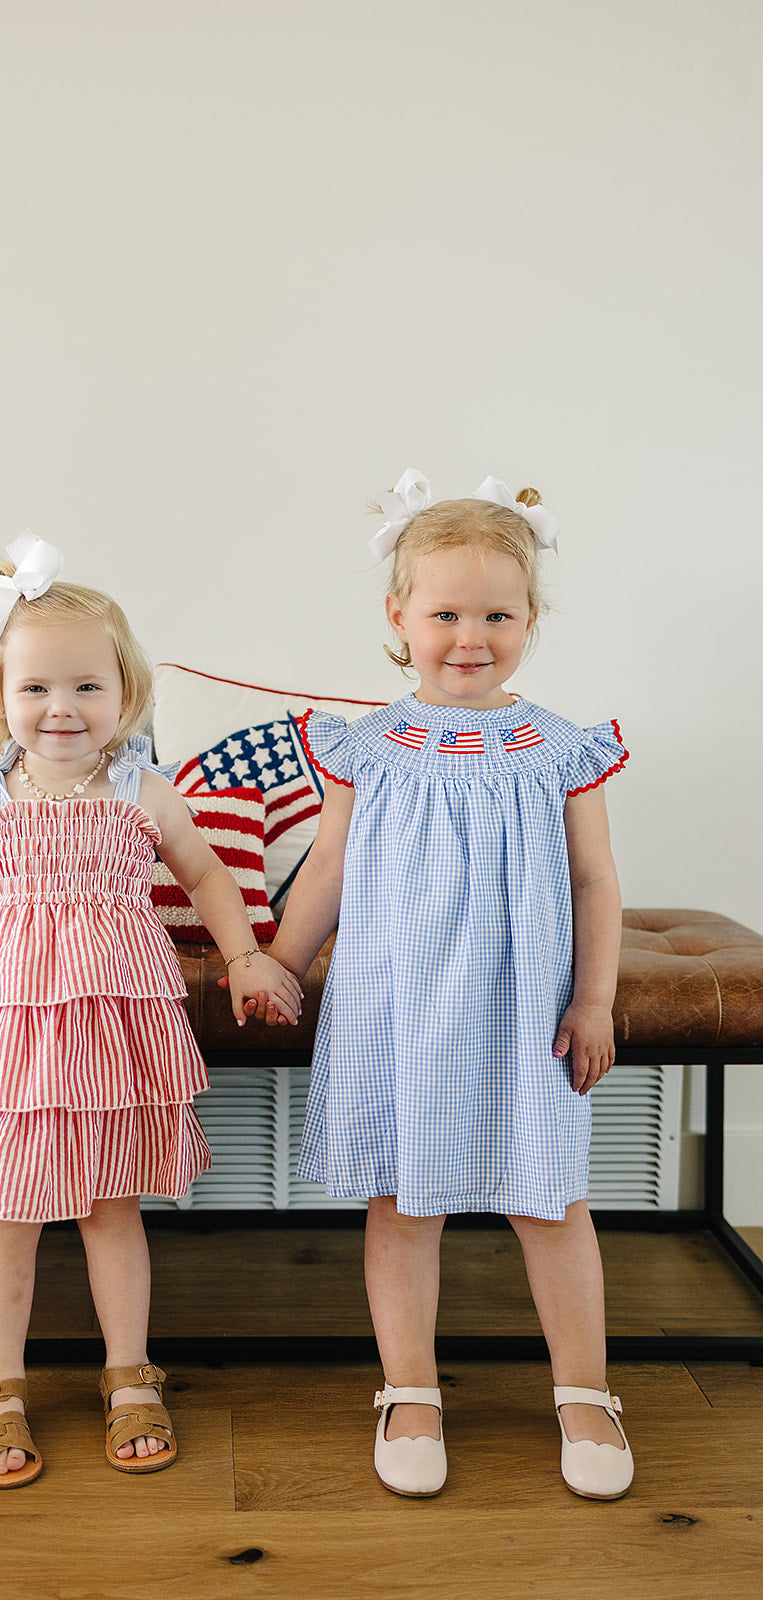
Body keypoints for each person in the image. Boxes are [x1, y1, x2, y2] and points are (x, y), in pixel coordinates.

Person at [253, 469, 633, 1500]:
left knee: (549, 1197)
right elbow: (326, 868)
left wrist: (591, 999)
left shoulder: (558, 749)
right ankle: (409, 1387)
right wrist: (282, 962)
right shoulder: (366, 747)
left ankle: (584, 1390)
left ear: (530, 618)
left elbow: (595, 881)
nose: (470, 635)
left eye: (496, 613)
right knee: (402, 1200)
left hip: (523, 1010)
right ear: (398, 616)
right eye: (445, 612)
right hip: (397, 1008)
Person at [0, 532, 302, 1488]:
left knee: (111, 1208)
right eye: (36, 687)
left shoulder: (141, 790)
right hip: (11, 1036)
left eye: (86, 686)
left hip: (115, 1038)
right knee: (8, 1212)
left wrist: (245, 955)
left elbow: (204, 873)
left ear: (125, 695)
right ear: (0, 695)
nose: (61, 708)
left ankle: (130, 1372)